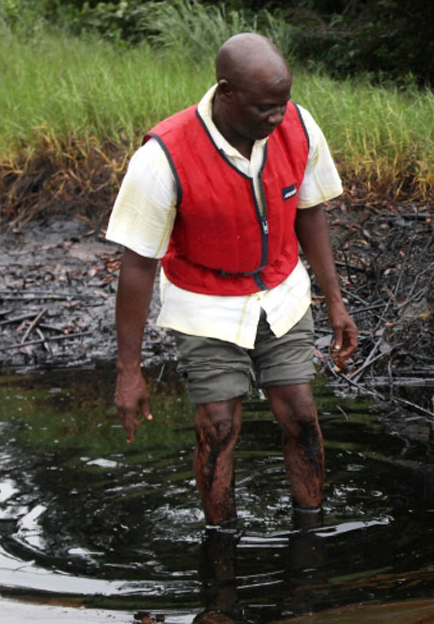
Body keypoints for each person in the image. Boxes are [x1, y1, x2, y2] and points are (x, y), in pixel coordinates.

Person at [107, 32, 358, 526]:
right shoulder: (164, 157)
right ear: (225, 92)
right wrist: (128, 370)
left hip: (281, 292)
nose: (278, 117)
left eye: (283, 103)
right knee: (218, 424)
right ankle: (220, 541)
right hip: (205, 302)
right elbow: (137, 265)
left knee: (302, 414)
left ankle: (310, 530)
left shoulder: (299, 127)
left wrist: (334, 300)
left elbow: (310, 213)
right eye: (266, 107)